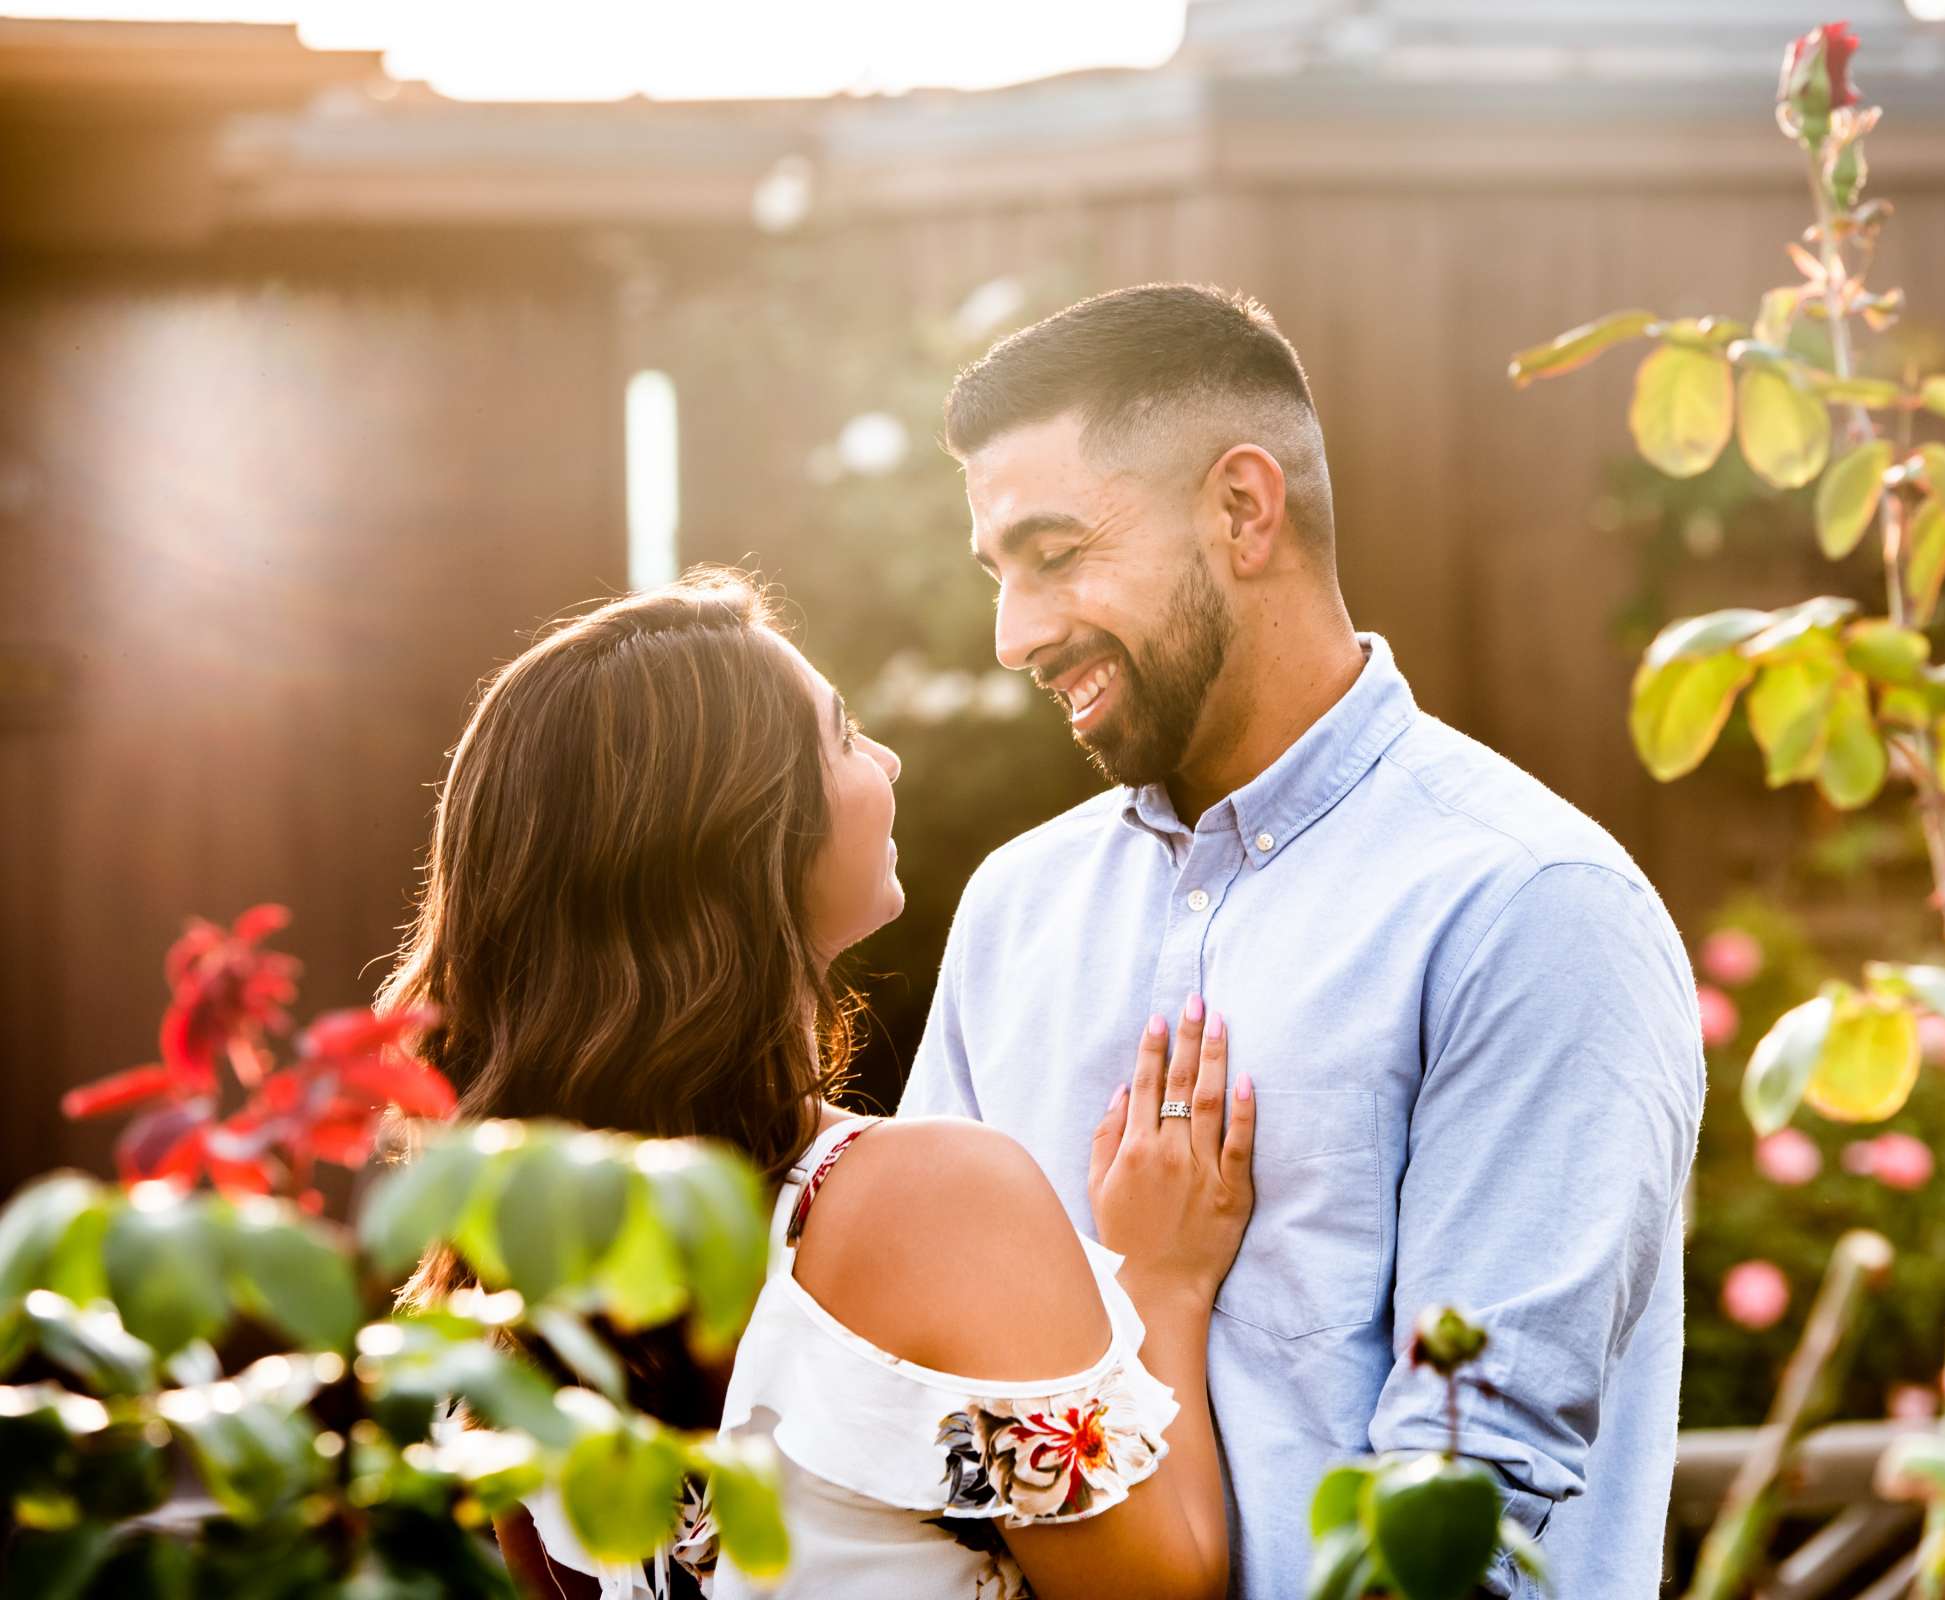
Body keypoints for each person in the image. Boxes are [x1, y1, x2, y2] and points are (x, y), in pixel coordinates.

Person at [899, 284, 1707, 1598]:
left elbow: (1467, 1519)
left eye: (1055, 554)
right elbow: (940, 1413)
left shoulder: (1527, 908)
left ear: (1241, 509)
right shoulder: (1014, 912)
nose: (1017, 636)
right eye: (1000, 576)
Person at [383, 572, 1257, 1600]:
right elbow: (1164, 1590)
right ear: (738, 835)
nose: (885, 758)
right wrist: (1166, 1280)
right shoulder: (927, 1199)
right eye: (843, 736)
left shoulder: (510, 1293)